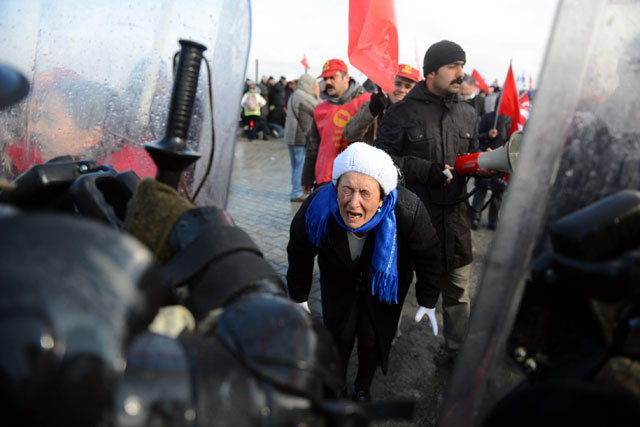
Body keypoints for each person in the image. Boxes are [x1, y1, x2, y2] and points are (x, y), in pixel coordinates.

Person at [287, 142, 441, 402]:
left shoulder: (407, 209)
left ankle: (362, 387)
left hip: (384, 287)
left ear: (382, 197)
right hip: (338, 281)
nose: (353, 202)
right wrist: (299, 296)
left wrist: (427, 299)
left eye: (364, 193)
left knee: (373, 339)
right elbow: (300, 250)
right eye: (346, 189)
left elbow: (429, 255)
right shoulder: (317, 207)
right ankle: (334, 384)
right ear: (336, 187)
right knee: (339, 336)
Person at [375, 40, 494, 366]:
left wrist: (483, 169)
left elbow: (470, 157)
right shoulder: (402, 113)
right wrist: (424, 170)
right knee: (395, 286)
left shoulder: (468, 113)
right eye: (453, 66)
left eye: (462, 65)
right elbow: (382, 160)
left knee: (457, 291)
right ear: (431, 72)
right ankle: (384, 343)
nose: (461, 73)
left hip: (455, 219)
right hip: (410, 218)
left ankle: (455, 351)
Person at [5, 77, 157, 178]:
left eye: (50, 120)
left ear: (90, 137)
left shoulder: (112, 188)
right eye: (39, 117)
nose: (33, 128)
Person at [301, 59, 371, 194]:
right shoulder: (319, 109)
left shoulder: (367, 102)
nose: (327, 82)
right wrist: (307, 177)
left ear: (346, 78)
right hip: (326, 178)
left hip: (357, 177)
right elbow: (313, 147)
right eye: (325, 79)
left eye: (332, 77)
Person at [344, 64, 421, 144]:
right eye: (397, 84)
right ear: (388, 84)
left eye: (408, 87)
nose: (402, 90)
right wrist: (371, 111)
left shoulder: (419, 114)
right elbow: (349, 135)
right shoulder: (373, 106)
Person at [470, 107, 512, 230]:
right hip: (486, 158)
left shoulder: (513, 120)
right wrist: (488, 135)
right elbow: (477, 136)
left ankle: (493, 221)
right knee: (480, 190)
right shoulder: (488, 117)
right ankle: (475, 218)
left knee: (498, 193)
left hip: (502, 161)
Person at [284, 73, 319, 202]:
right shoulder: (303, 96)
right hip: (298, 137)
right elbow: (318, 107)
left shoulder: (295, 94)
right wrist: (317, 94)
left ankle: (295, 190)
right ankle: (297, 192)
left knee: (295, 166)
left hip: (290, 137)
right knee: (300, 166)